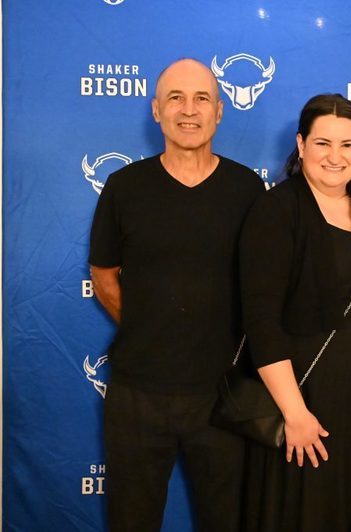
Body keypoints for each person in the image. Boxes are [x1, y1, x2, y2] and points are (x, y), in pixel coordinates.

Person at [88, 58, 265, 531]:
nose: (189, 110)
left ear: (219, 111)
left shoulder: (248, 189)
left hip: (225, 396)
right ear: (156, 110)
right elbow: (103, 275)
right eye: (176, 98)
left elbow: (265, 287)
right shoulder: (124, 187)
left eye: (202, 98)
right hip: (138, 395)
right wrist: (149, 326)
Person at [239, 93, 351, 532]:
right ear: (301, 145)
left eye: (347, 145)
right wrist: (295, 414)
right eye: (322, 143)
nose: (335, 156)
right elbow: (261, 321)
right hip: (308, 397)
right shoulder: (277, 210)